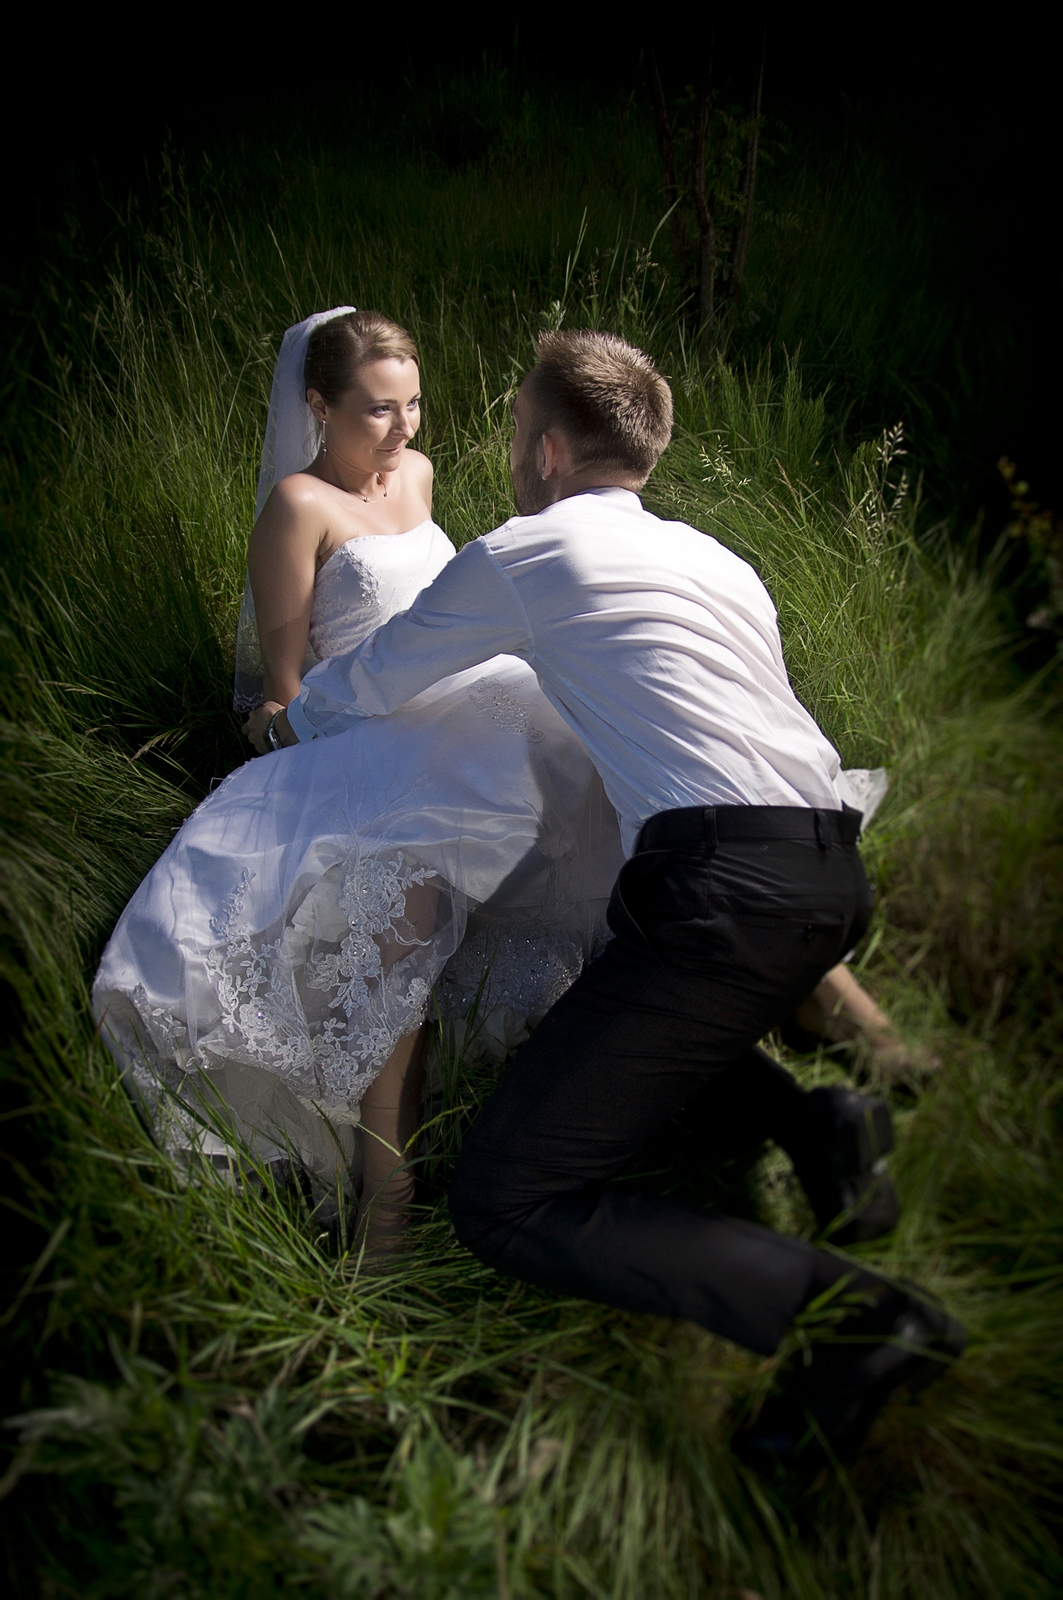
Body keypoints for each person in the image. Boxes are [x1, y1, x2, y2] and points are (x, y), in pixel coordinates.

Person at [270, 329, 965, 1465]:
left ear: (546, 450)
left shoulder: (528, 550)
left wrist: (283, 722)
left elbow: (375, 679)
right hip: (831, 878)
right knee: (582, 1014)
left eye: (508, 434)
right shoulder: (721, 560)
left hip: (722, 893)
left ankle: (852, 1320)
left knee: (505, 1199)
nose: (502, 455)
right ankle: (819, 1119)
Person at [93, 308, 626, 1245]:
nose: (405, 430)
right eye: (378, 410)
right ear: (317, 405)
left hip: (468, 702)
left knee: (589, 765)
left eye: (413, 404)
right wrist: (299, 736)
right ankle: (390, 1196)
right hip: (361, 723)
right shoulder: (298, 508)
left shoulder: (415, 475)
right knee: (403, 891)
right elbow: (285, 691)